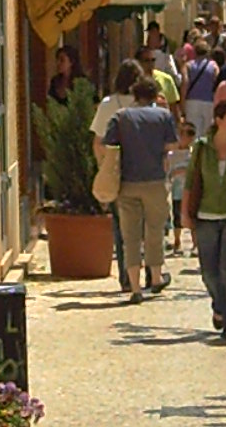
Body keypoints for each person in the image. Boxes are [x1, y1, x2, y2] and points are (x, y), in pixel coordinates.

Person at [182, 100, 226, 343]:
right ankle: (219, 304)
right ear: (219, 121)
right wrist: (185, 213)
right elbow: (191, 182)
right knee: (209, 273)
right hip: (207, 215)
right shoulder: (201, 149)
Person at [104, 76, 177, 304]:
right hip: (154, 180)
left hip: (127, 183)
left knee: (130, 236)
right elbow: (172, 145)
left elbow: (109, 143)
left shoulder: (121, 116)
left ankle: (134, 287)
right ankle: (155, 277)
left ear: (135, 95)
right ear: (156, 95)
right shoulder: (163, 116)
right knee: (154, 231)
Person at [90, 58, 142, 291]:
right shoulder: (146, 104)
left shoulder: (108, 104)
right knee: (146, 226)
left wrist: (104, 168)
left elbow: (98, 143)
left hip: (118, 173)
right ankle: (147, 274)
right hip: (144, 171)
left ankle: (126, 277)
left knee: (122, 228)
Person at [166, 121, 196, 255]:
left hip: (192, 190)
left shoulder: (194, 153)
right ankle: (177, 241)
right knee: (177, 216)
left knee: (193, 216)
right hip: (177, 190)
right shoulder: (171, 155)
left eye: (191, 134)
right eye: (186, 133)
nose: (188, 137)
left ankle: (195, 243)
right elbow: (168, 171)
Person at [182, 39, 219, 136]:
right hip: (208, 101)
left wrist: (182, 103)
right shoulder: (214, 65)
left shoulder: (188, 65)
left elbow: (185, 83)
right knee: (206, 132)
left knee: (192, 131)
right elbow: (216, 82)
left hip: (192, 101)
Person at [136, 45, 181, 122]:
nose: (150, 63)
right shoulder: (134, 81)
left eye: (153, 60)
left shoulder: (166, 79)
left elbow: (174, 110)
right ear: (138, 62)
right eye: (147, 60)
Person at [146, 20, 180, 85]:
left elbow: (171, 56)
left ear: (156, 30)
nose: (150, 34)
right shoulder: (149, 39)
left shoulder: (167, 42)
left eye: (151, 31)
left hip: (165, 67)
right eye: (149, 32)